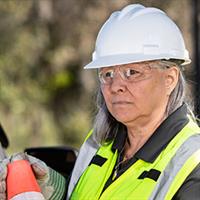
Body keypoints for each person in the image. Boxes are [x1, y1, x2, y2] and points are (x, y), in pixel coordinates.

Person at [0, 3, 200, 200]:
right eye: (108, 73)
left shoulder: (192, 164)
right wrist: (52, 188)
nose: (115, 86)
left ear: (170, 79)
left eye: (132, 72)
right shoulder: (100, 144)